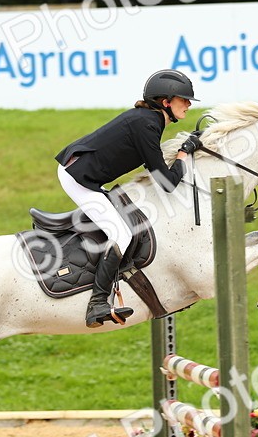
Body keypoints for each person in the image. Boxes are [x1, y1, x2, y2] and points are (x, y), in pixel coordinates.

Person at [55, 69, 202, 328]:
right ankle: (97, 303)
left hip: (82, 173)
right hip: (78, 178)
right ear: (165, 102)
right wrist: (183, 155)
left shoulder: (148, 120)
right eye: (184, 99)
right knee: (121, 234)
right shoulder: (147, 124)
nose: (188, 104)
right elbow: (167, 183)